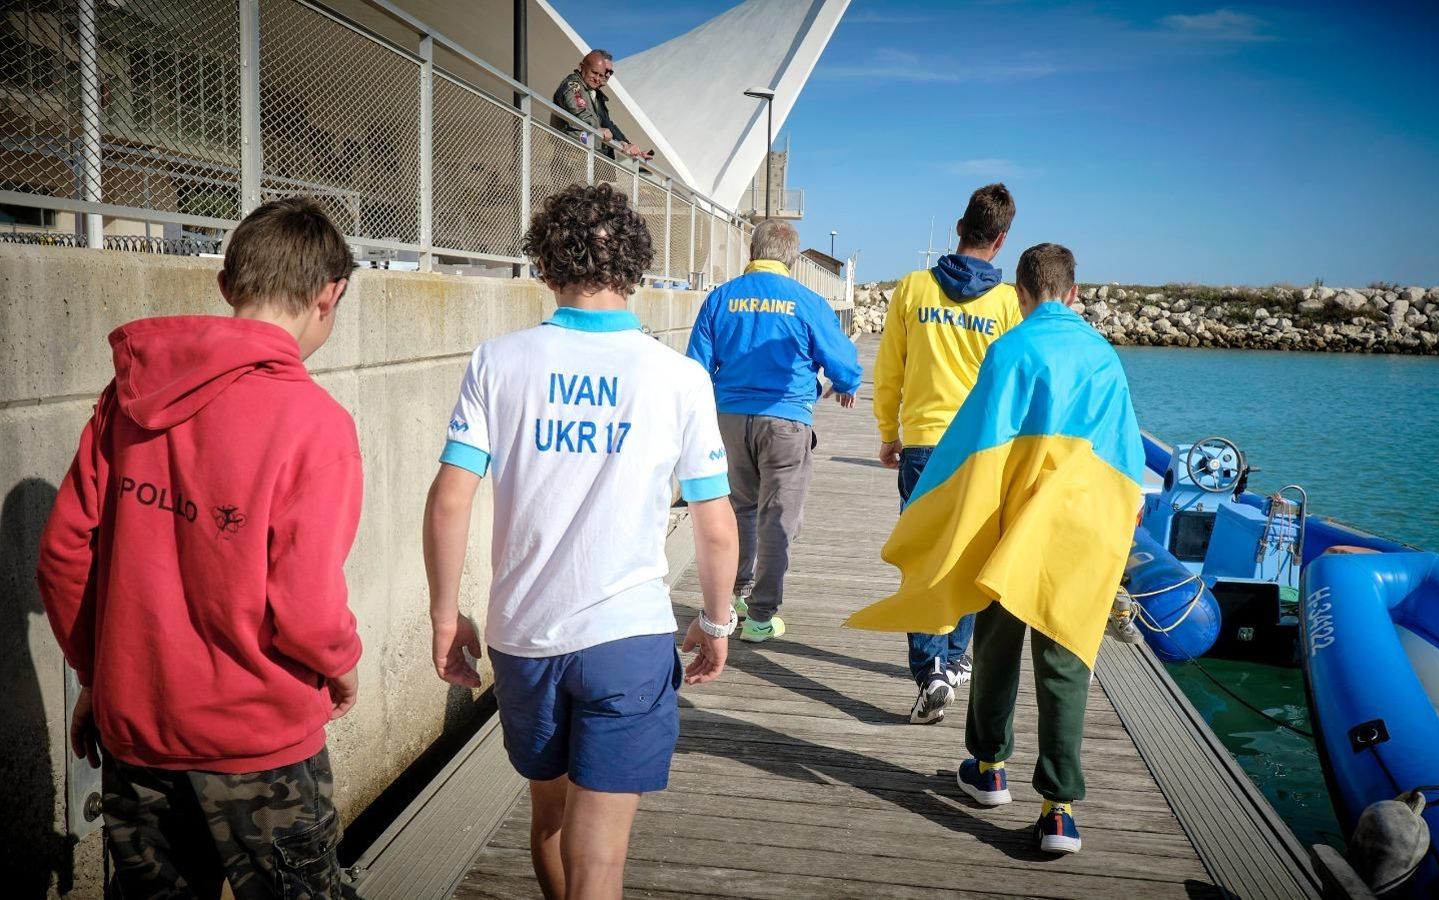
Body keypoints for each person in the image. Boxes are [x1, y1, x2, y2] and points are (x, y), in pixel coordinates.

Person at [36, 197, 363, 897]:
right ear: (329, 295)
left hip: (138, 733)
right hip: (258, 741)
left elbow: (64, 552)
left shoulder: (128, 398)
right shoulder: (316, 423)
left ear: (225, 286)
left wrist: (98, 673)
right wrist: (342, 664)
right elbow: (306, 607)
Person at [423, 183, 737, 900]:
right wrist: (717, 623)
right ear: (635, 267)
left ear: (545, 264)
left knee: (550, 818)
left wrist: (445, 616)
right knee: (601, 860)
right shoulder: (679, 377)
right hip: (628, 639)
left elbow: (449, 498)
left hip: (524, 634)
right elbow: (717, 525)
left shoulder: (498, 361)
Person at [849, 243, 1144, 855]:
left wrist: (930, 514)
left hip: (1014, 526)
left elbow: (973, 450)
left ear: (1021, 294)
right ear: (1074, 293)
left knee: (995, 649)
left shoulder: (1009, 351)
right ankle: (1059, 811)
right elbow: (1125, 457)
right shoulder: (1104, 356)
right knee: (1065, 663)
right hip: (1080, 530)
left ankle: (988, 770)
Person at [872, 183, 1022, 724]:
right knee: (969, 553)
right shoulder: (1007, 303)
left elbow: (889, 369)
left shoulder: (913, 288)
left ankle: (931, 669)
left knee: (923, 555)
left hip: (923, 442)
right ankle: (957, 657)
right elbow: (1015, 383)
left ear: (959, 228)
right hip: (982, 448)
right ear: (1001, 240)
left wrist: (888, 431)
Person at [686, 220, 862, 643]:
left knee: (740, 509)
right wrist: (846, 384)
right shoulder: (807, 301)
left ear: (752, 252)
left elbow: (695, 368)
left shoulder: (720, 298)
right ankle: (761, 617)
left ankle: (736, 595)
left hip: (729, 420)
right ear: (791, 259)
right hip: (786, 421)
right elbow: (843, 362)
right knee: (778, 517)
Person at [551, 50, 653, 162]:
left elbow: (607, 125)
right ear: (582, 66)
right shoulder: (573, 85)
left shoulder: (593, 94)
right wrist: (597, 128)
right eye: (595, 72)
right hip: (572, 154)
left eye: (604, 73)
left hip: (589, 156)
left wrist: (627, 144)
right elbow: (579, 111)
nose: (601, 77)